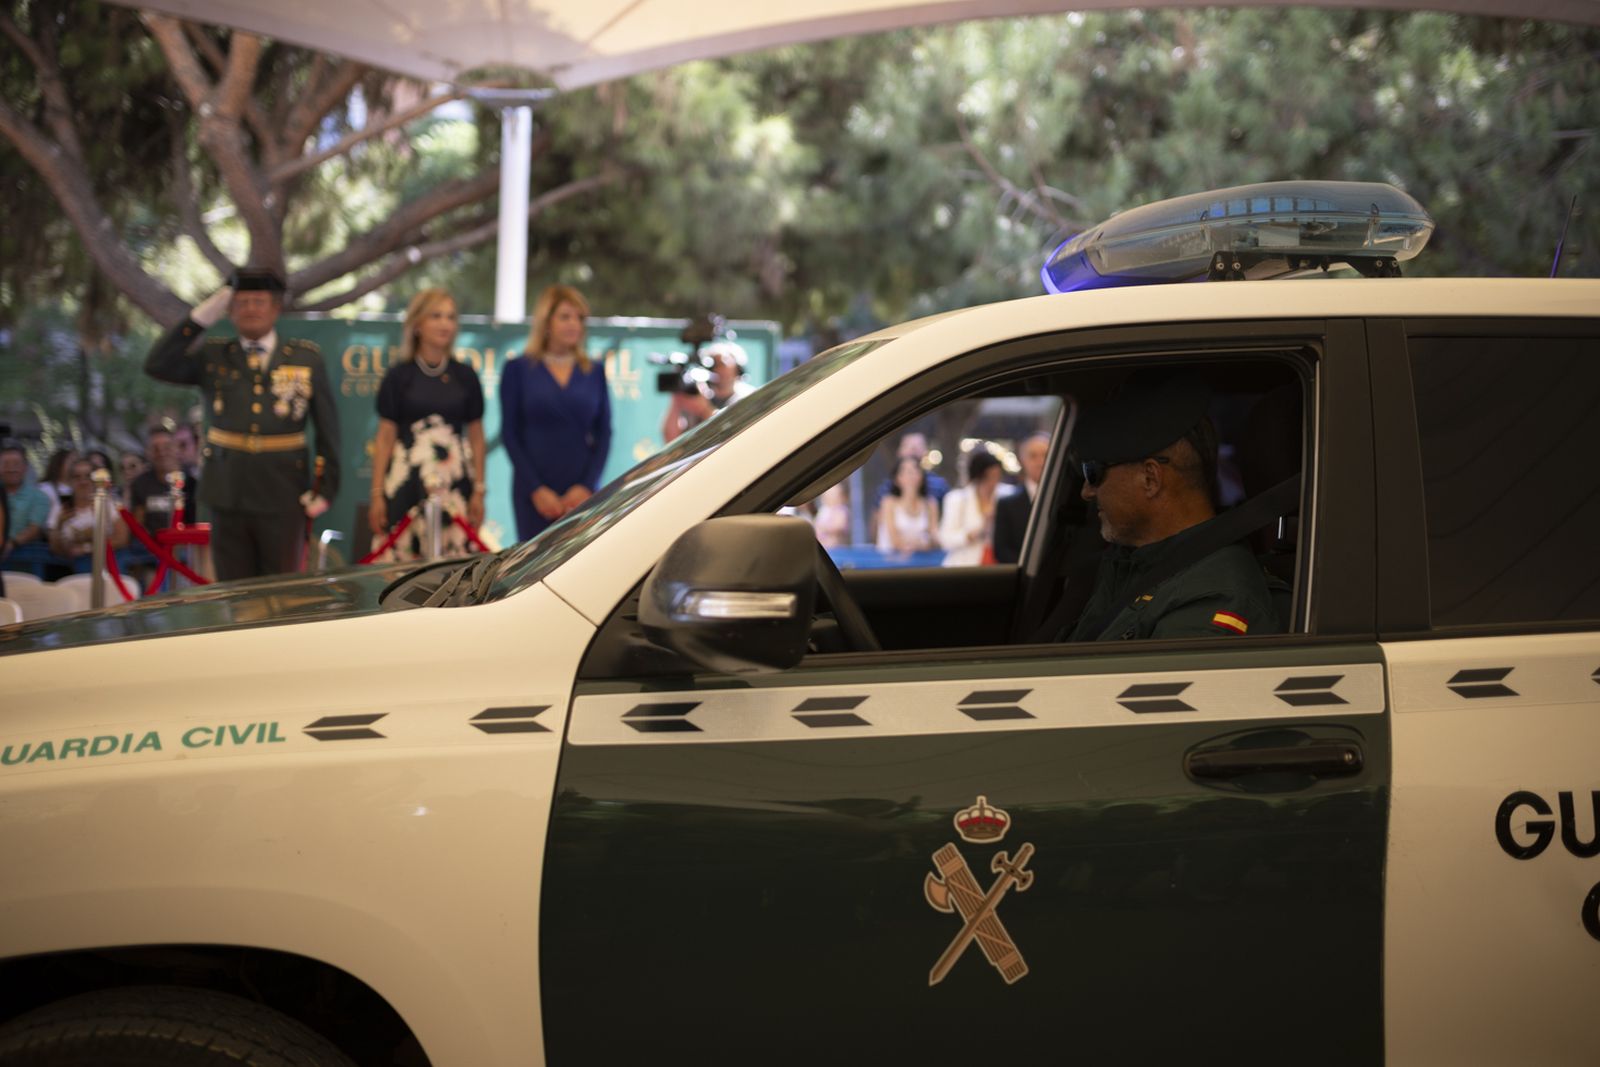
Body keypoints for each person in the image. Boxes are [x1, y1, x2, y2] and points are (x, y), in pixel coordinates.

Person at [144, 267, 341, 580]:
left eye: (259, 301)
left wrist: (326, 488)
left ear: (275, 309)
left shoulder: (305, 358)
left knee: (281, 590)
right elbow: (157, 364)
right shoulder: (214, 355)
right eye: (242, 302)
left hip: (283, 491)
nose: (251, 309)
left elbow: (328, 428)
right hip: (227, 490)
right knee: (232, 592)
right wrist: (203, 315)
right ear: (230, 310)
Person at [1066, 371, 1280, 641]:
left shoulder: (1212, 595)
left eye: (1094, 473)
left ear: (1150, 479)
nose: (1086, 491)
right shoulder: (1132, 563)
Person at [367, 288, 487, 562]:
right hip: (405, 485)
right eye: (436, 316)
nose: (445, 324)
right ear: (418, 324)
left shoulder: (465, 376)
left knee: (454, 574)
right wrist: (376, 494)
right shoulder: (399, 377)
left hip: (455, 487)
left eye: (451, 317)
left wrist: (479, 490)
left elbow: (477, 437)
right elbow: (385, 437)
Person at [500, 285, 611, 541]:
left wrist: (586, 486)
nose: (574, 324)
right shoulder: (517, 370)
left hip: (582, 491)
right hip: (534, 492)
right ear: (546, 322)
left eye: (579, 318)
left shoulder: (594, 371)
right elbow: (510, 434)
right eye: (565, 316)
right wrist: (536, 490)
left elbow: (604, 433)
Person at [47, 458, 128, 572]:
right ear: (70, 481)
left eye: (88, 476)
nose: (83, 482)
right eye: (77, 477)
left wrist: (87, 549)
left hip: (109, 565)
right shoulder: (60, 508)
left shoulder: (109, 503)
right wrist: (59, 525)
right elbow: (55, 549)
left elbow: (122, 539)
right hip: (72, 569)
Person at [939, 449, 1006, 567]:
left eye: (996, 476)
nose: (993, 482)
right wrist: (970, 535)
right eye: (988, 477)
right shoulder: (957, 499)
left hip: (998, 564)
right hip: (965, 564)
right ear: (977, 477)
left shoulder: (1006, 495)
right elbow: (945, 539)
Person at [993, 432, 1050, 565]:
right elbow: (1001, 549)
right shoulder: (1006, 504)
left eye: (1045, 455)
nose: (1040, 462)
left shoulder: (1065, 497)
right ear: (1022, 460)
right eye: (1033, 456)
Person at [1, 446, 52, 578]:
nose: (11, 469)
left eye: (16, 464)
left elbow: (35, 527)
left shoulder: (39, 497)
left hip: (26, 559)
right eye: (6, 464)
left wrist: (11, 544)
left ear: (25, 468)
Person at [876, 457, 938, 555]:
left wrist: (921, 545)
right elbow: (893, 539)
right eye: (905, 471)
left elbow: (933, 537)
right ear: (897, 478)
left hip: (922, 559)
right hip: (891, 560)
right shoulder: (888, 502)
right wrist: (913, 545)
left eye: (915, 470)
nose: (911, 475)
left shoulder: (930, 503)